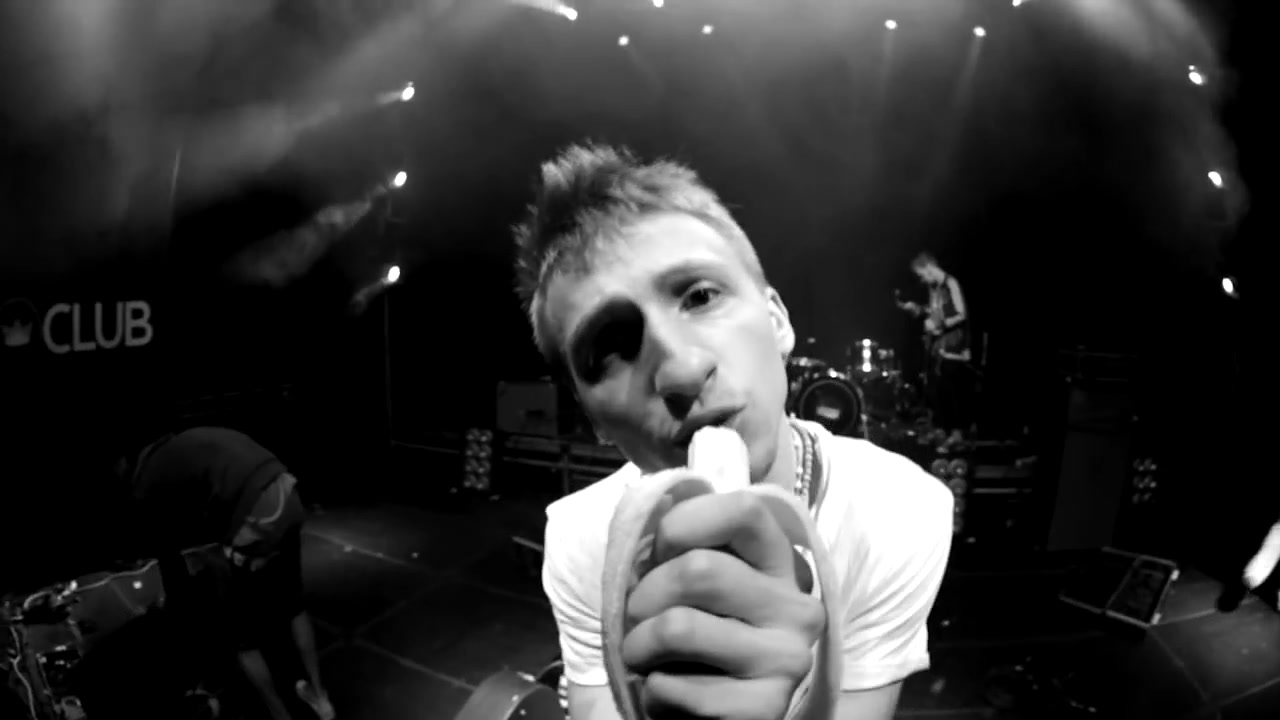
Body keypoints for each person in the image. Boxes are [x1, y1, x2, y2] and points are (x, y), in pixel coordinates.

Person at [512, 143, 954, 720]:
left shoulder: (900, 512)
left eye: (700, 296)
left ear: (777, 320)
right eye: (610, 349)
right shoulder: (580, 541)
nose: (682, 370)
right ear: (593, 421)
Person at [121, 426, 335, 720]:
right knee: (294, 604)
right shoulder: (185, 444)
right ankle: (321, 700)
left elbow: (170, 551)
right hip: (287, 492)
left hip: (255, 515)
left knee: (241, 635)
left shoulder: (143, 482)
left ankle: (280, 715)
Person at [899, 252, 972, 448]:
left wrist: (938, 324)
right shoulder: (936, 289)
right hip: (940, 348)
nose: (922, 280)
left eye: (922, 275)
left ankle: (956, 435)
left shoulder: (950, 284)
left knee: (951, 391)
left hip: (954, 346)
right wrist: (918, 309)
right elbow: (937, 311)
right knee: (938, 390)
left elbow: (961, 313)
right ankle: (943, 430)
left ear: (929, 268)